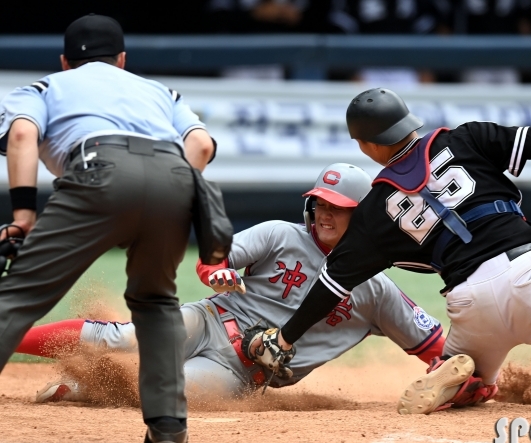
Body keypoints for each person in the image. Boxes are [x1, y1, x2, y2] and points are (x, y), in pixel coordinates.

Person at [262, 88, 531, 420]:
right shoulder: (463, 138)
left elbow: (331, 285)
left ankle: (461, 380)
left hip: (469, 300)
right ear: (408, 123)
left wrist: (284, 338)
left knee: (474, 377)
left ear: (367, 146)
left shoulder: (375, 209)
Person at [16, 163, 447, 405]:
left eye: (337, 207)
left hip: (241, 370)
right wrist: (216, 272)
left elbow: (435, 348)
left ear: (363, 214)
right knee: (126, 339)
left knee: (173, 390)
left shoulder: (375, 290)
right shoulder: (281, 234)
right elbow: (213, 257)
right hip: (209, 319)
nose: (323, 214)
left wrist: (459, 376)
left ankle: (82, 388)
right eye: (319, 204)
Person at [0, 14, 215, 443]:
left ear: (65, 62)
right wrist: (165, 193)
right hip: (174, 177)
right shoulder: (159, 91)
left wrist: (23, 213)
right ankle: (169, 429)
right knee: (156, 301)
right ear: (121, 60)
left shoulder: (46, 88)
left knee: (18, 296)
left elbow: (21, 133)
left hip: (96, 170)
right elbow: (202, 146)